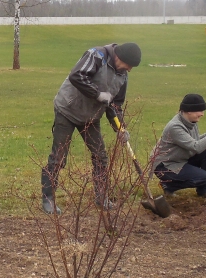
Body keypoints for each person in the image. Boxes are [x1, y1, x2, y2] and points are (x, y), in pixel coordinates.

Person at [41, 42, 142, 214]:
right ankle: (48, 199)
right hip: (67, 109)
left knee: (100, 156)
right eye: (129, 65)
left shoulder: (122, 75)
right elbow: (77, 76)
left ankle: (101, 196)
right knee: (59, 156)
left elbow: (115, 104)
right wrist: (97, 94)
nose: (129, 69)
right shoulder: (96, 56)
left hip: (91, 116)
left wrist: (120, 128)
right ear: (119, 57)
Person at [151, 93, 206, 200]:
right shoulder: (175, 127)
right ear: (189, 110)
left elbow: (196, 141)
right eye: (199, 111)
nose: (202, 114)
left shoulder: (190, 121)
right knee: (203, 177)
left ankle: (204, 191)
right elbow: (196, 147)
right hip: (165, 166)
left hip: (179, 159)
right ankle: (169, 185)